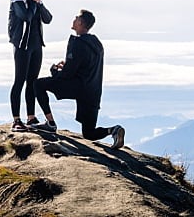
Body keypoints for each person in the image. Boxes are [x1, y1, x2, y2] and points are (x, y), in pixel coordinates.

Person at [32, 9, 125, 149]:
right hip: (93, 92)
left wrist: (55, 71)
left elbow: (67, 74)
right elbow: (83, 65)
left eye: (76, 18)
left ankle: (50, 123)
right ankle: (113, 130)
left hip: (77, 87)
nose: (73, 20)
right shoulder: (97, 44)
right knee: (88, 133)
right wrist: (68, 65)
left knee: (38, 84)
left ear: (80, 23)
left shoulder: (77, 43)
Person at [7, 0, 53, 132]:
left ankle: (31, 117)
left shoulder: (36, 0)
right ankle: (16, 119)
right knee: (19, 80)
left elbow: (48, 19)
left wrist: (39, 3)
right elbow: (25, 16)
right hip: (22, 45)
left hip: (36, 45)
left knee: (32, 82)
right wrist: (34, 2)